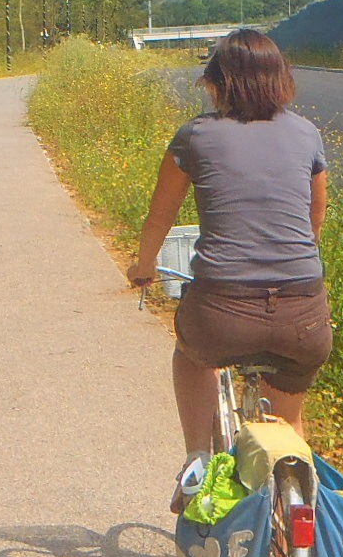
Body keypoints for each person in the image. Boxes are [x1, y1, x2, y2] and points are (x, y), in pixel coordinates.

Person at [125, 28, 330, 510]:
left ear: (217, 82)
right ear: (282, 81)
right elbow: (314, 216)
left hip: (222, 311)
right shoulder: (306, 133)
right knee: (290, 422)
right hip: (303, 312)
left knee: (192, 355)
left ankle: (197, 460)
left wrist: (143, 266)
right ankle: (300, 510)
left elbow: (161, 215)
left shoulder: (195, 136)